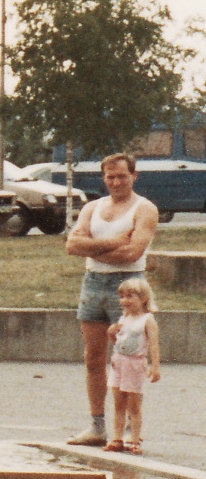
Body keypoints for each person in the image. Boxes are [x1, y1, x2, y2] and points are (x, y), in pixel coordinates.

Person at [65, 153, 158, 447]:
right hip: (93, 283)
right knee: (94, 358)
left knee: (129, 357)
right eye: (110, 176)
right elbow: (71, 245)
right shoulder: (92, 208)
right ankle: (97, 425)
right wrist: (116, 242)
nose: (116, 182)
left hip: (129, 283)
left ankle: (130, 425)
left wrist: (89, 247)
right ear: (103, 178)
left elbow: (132, 253)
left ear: (134, 175)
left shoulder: (145, 209)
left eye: (121, 176)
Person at [105, 277, 161, 455]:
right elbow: (119, 342)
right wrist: (111, 334)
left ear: (143, 298)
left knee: (134, 405)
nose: (124, 301)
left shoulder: (147, 320)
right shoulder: (124, 317)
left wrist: (155, 366)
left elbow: (153, 344)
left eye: (130, 296)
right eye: (122, 296)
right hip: (119, 362)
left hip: (135, 364)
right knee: (118, 403)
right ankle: (117, 438)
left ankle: (135, 440)